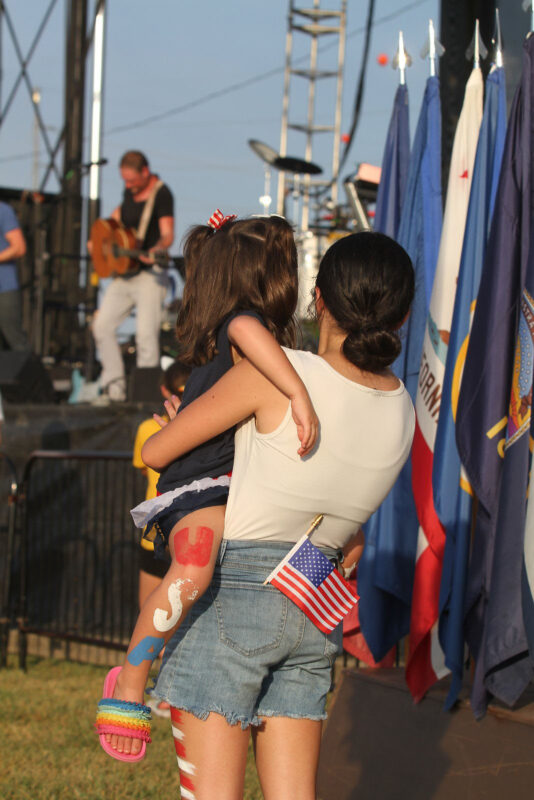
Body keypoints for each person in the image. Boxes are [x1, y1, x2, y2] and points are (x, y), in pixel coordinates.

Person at [144, 230, 415, 800]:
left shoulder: (278, 374)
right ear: (404, 312)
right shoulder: (404, 409)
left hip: (233, 600)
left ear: (318, 300)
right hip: (314, 606)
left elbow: (157, 452)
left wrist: (186, 420)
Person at [95, 213, 319, 762]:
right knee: (194, 564)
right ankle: (131, 678)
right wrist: (297, 392)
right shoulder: (243, 327)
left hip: (230, 480)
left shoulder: (246, 344)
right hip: (203, 484)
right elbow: (249, 334)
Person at [91, 151, 174, 401]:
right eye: (125, 181)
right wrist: (100, 241)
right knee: (102, 325)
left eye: (132, 181)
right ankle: (114, 390)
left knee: (146, 335)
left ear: (145, 173)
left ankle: (145, 397)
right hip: (125, 272)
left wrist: (157, 248)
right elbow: (116, 220)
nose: (128, 186)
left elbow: (167, 234)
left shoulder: (161, 193)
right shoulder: (128, 193)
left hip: (150, 275)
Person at [133, 360, 191, 718]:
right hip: (174, 530)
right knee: (170, 613)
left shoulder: (146, 428)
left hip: (168, 532)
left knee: (158, 611)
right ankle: (161, 687)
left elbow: (148, 461)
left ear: (163, 391)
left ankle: (164, 688)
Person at [0, 201, 30, 352]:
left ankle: (31, 375)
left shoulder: (3, 211)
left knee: (15, 339)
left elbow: (19, 247)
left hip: (4, 288)